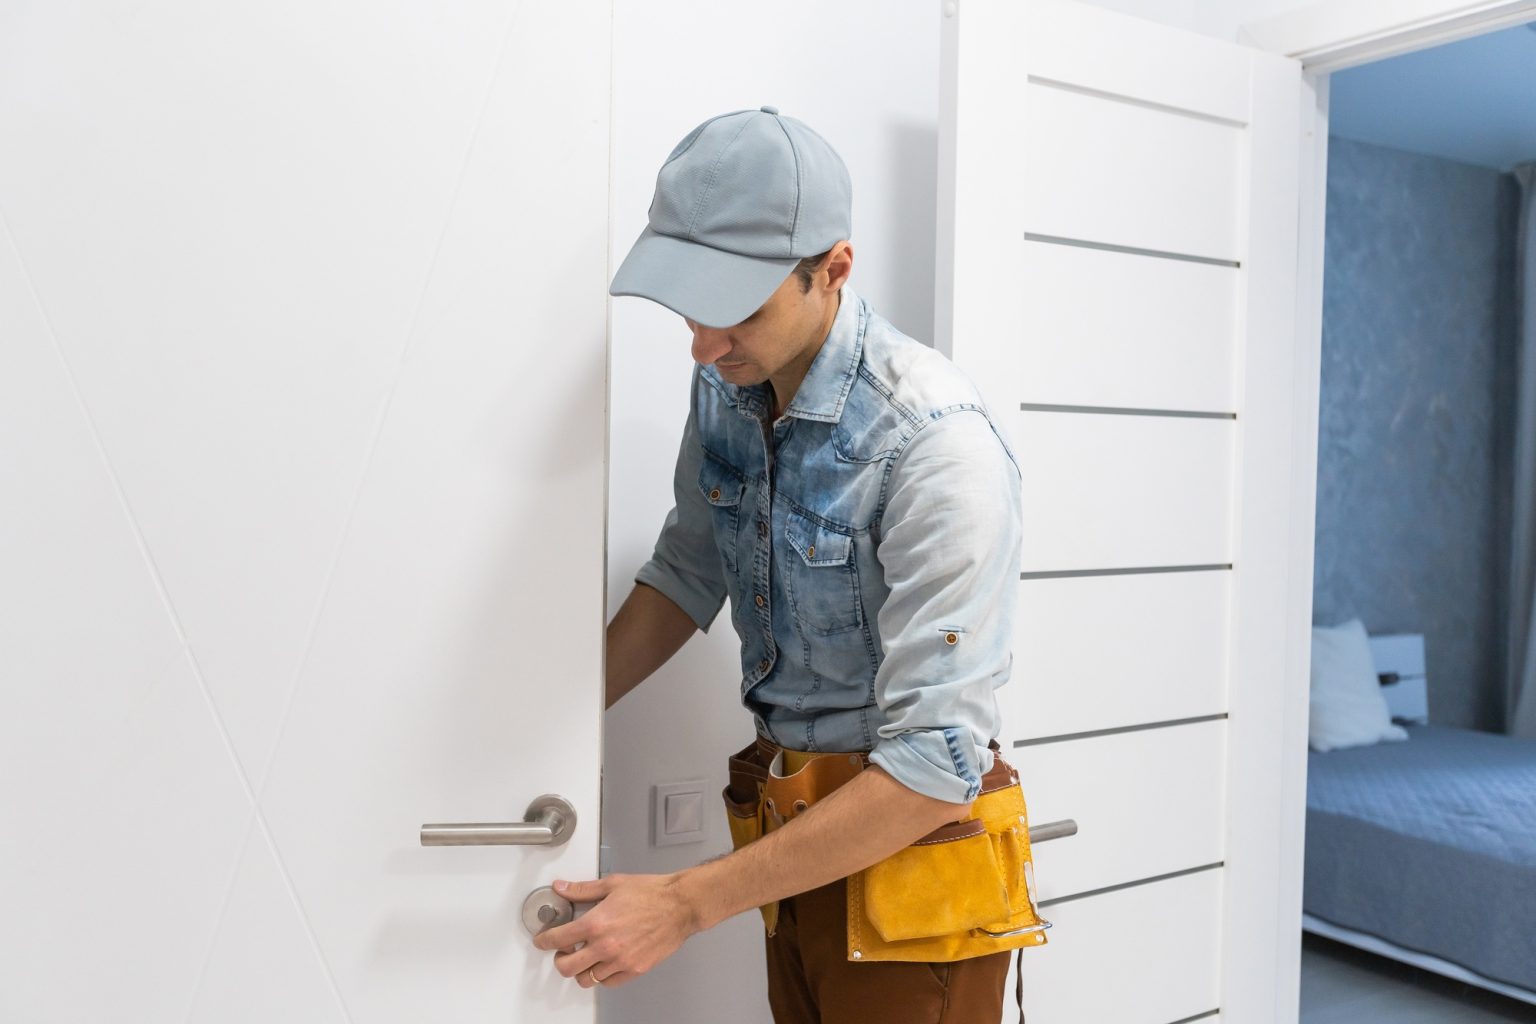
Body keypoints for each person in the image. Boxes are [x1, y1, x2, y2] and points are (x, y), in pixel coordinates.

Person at [530, 106, 1024, 1022]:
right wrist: (544, 724)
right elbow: (687, 567)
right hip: (789, 832)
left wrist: (681, 905)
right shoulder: (729, 380)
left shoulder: (938, 449)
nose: (702, 347)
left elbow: (934, 764)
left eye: (736, 314)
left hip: (911, 858)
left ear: (833, 269)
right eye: (690, 309)